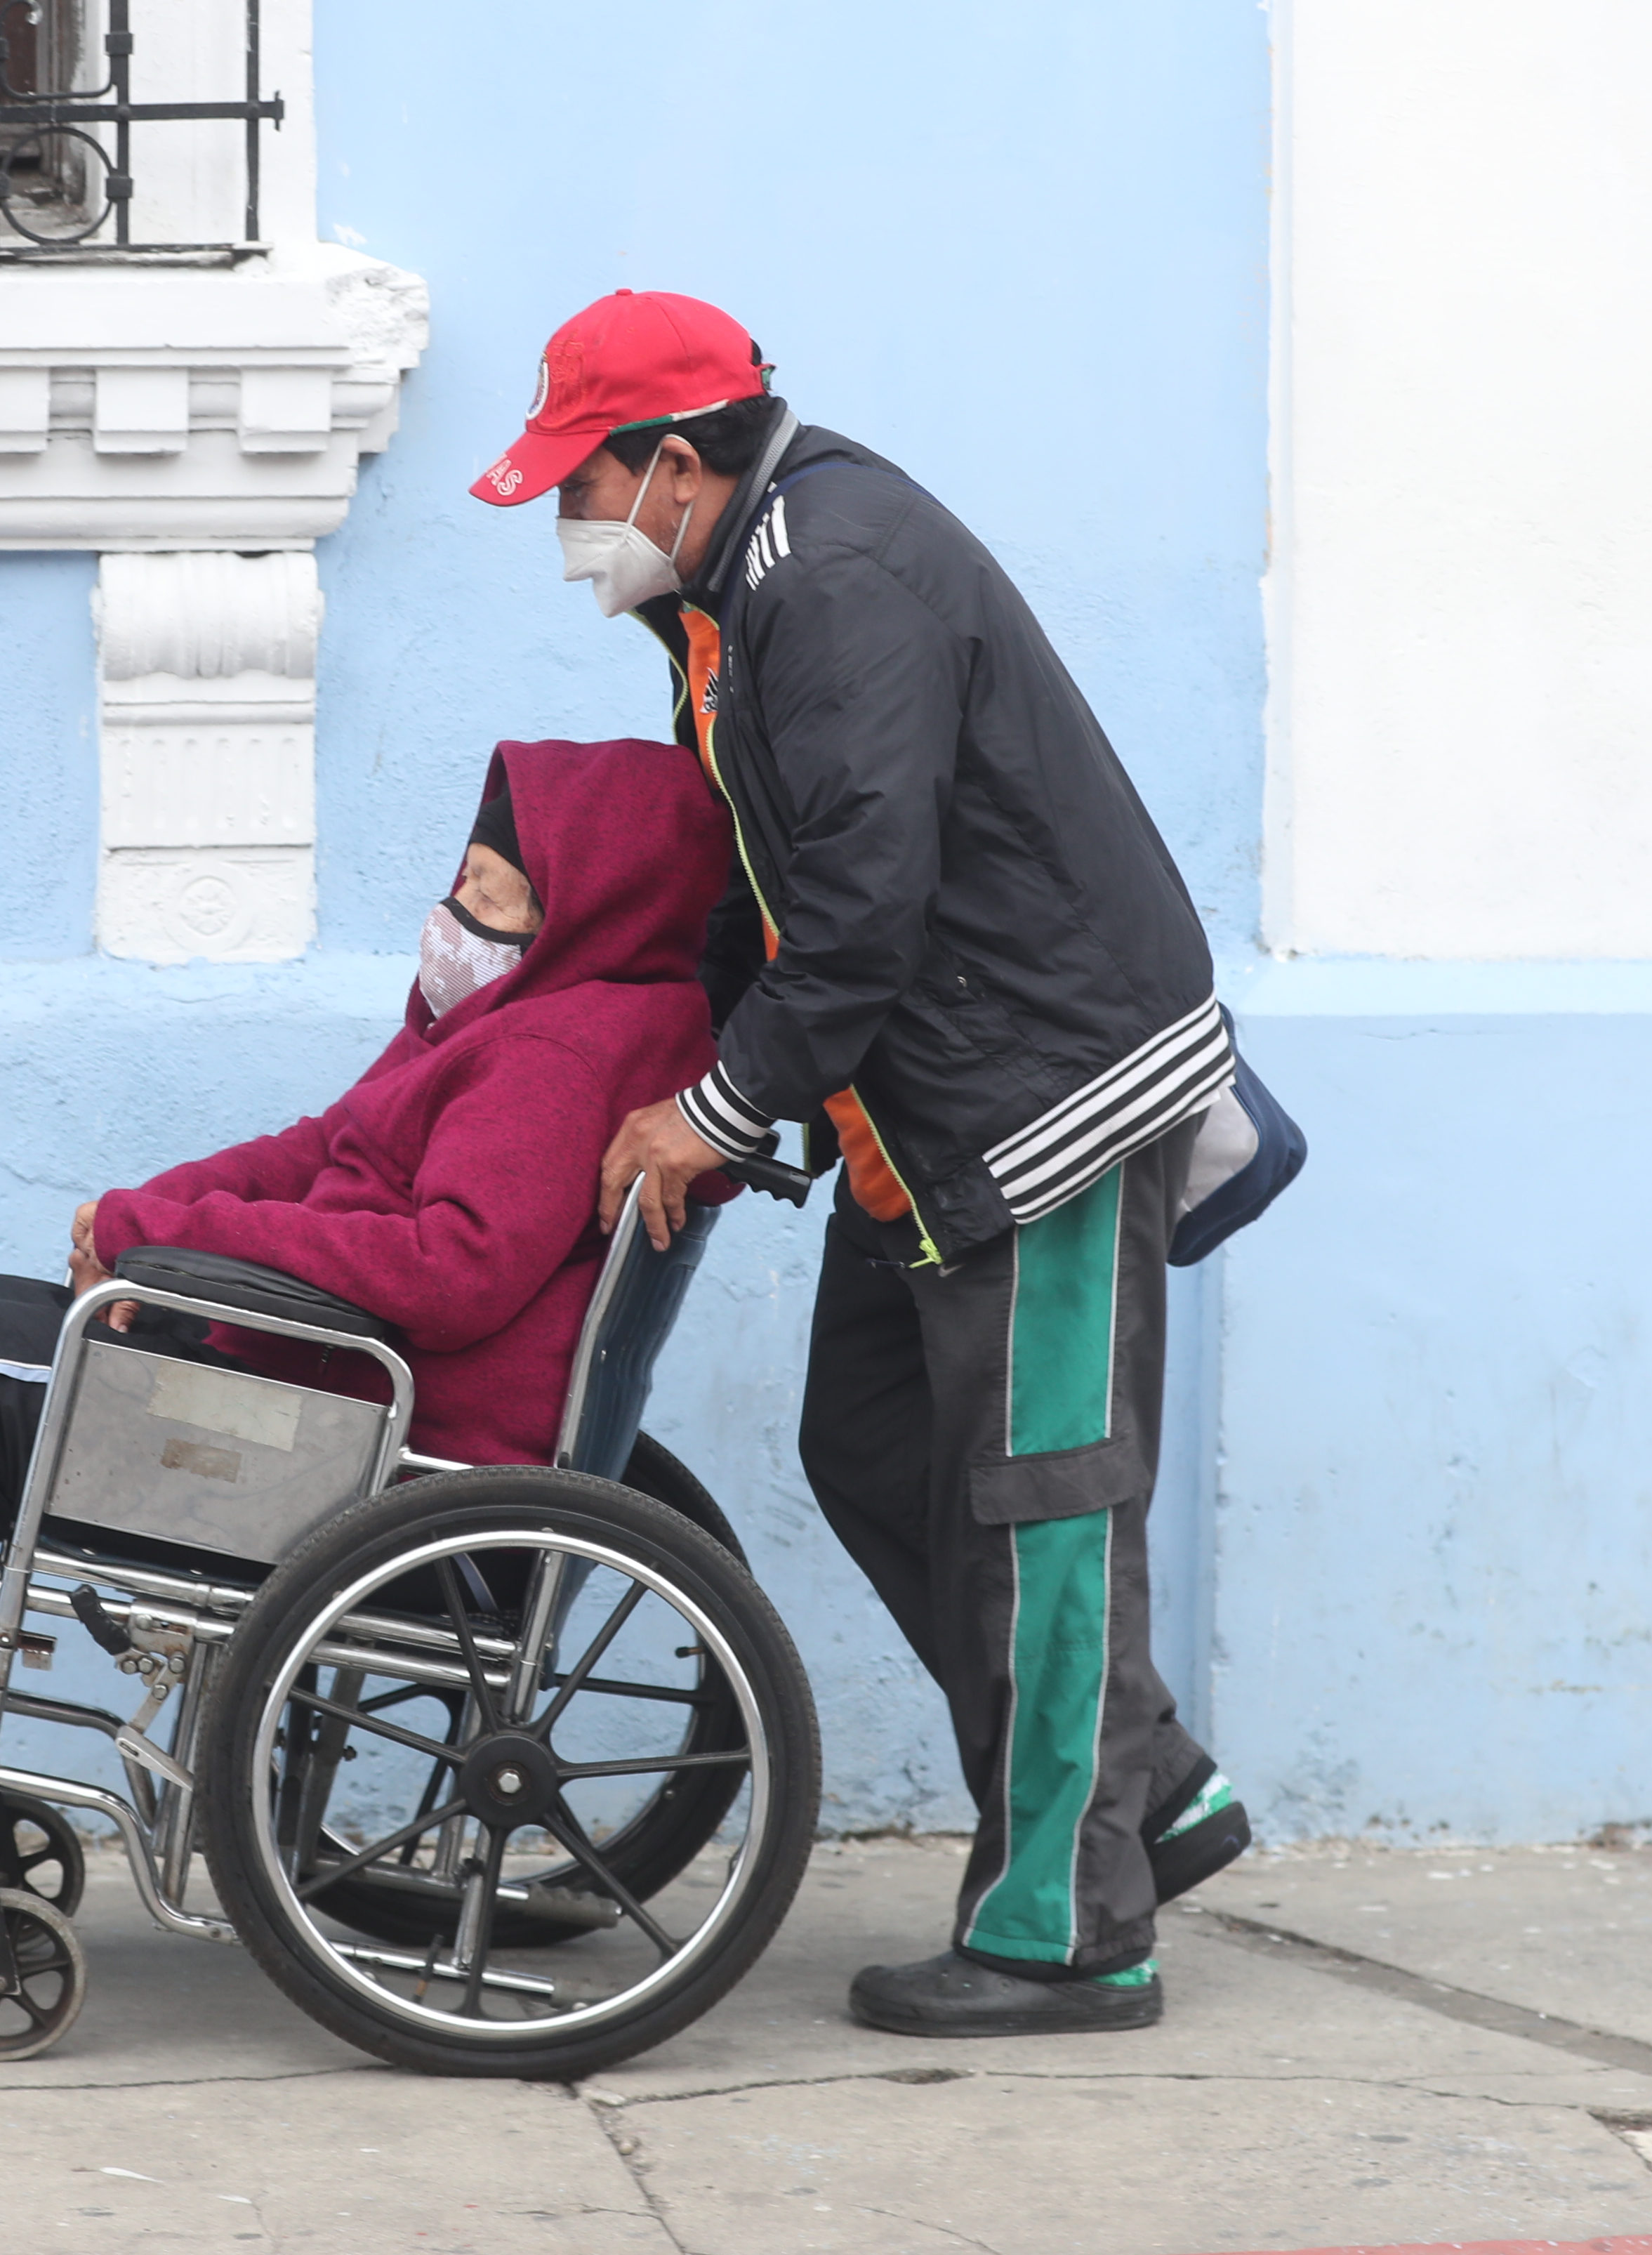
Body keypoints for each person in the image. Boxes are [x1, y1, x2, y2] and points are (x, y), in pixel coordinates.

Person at [474, 289, 1254, 2039]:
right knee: (877, 1445)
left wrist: (716, 1111)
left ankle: (1068, 1935)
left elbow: (858, 905)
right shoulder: (723, 591)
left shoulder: (833, 582)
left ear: (678, 464)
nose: (567, 521)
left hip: (1037, 1105)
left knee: (1043, 1511)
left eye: (580, 485)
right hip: (918, 1109)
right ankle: (1146, 1785)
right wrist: (678, 1068)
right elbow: (763, 879)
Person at [0, 737, 734, 1867]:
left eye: (488, 894)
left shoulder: (550, 1055)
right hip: (334, 1415)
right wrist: (144, 1217)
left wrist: (164, 1242)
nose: (452, 917)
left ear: (582, 911)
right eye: (459, 883)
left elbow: (450, 1270)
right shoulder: (520, 1023)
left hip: (372, 1472)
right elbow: (320, 1148)